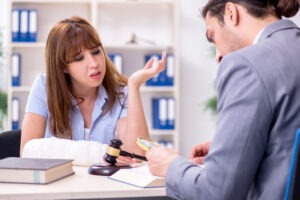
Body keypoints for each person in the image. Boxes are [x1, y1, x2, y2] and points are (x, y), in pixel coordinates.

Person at [146, 0, 300, 199]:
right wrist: (235, 145)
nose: (218, 56)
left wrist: (171, 166)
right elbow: (288, 138)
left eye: (213, 36)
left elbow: (217, 192)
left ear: (231, 12)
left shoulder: (246, 64)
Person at [20, 16, 166, 165]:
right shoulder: (44, 87)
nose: (94, 63)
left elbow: (138, 155)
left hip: (101, 186)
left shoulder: (121, 93)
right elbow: (27, 150)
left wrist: (133, 86)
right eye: (79, 58)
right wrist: (96, 154)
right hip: (57, 187)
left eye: (96, 52)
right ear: (63, 67)